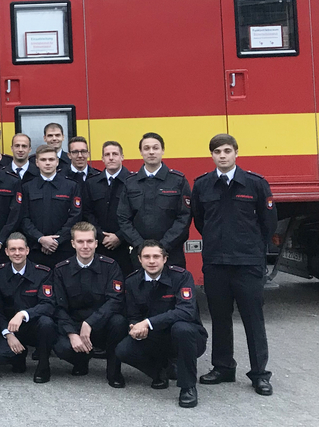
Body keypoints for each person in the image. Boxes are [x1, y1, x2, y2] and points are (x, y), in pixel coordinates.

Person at [192, 133, 276, 396]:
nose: (223, 156)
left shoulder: (255, 184)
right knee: (219, 317)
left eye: (227, 151)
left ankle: (260, 374)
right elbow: (200, 220)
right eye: (217, 152)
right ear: (212, 156)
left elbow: (268, 223)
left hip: (247, 263)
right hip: (216, 262)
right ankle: (223, 367)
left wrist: (252, 250)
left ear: (236, 153)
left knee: (253, 319)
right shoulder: (203, 185)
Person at [115, 241, 208, 408]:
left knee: (182, 328)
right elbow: (133, 314)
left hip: (188, 338)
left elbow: (186, 311)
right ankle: (159, 372)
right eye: (147, 257)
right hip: (155, 336)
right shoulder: (132, 282)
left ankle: (187, 387)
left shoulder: (181, 276)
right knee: (123, 350)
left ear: (165, 259)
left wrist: (148, 322)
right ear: (139, 259)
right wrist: (134, 326)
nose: (152, 261)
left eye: (156, 256)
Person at [51, 222, 127, 387]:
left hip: (101, 324)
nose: (85, 246)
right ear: (72, 243)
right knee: (61, 347)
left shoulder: (110, 266)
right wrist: (71, 333)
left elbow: (116, 300)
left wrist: (90, 322)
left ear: (96, 243)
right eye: (80, 241)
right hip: (75, 326)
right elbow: (59, 306)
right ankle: (81, 360)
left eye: (89, 241)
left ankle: (114, 372)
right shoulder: (61, 270)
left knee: (119, 322)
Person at [0, 233, 57, 383]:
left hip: (34, 326)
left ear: (27, 251)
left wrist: (23, 314)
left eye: (21, 249)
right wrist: (8, 334)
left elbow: (48, 305)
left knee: (47, 323)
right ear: (7, 252)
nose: (17, 253)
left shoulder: (43, 273)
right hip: (10, 327)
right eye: (13, 249)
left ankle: (43, 366)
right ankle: (18, 358)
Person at [117, 132, 192, 268]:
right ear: (141, 152)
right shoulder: (130, 182)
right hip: (140, 255)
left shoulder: (178, 181)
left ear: (162, 150)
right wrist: (141, 245)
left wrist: (164, 246)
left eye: (155, 148)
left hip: (171, 253)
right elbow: (123, 218)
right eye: (146, 148)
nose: (151, 152)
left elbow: (184, 217)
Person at [19, 145, 82, 267]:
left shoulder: (71, 186)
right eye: (43, 160)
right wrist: (41, 239)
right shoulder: (27, 187)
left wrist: (56, 241)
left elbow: (75, 216)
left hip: (64, 249)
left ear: (57, 161)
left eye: (51, 159)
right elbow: (23, 217)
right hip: (35, 249)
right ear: (37, 163)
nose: (47, 163)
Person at [84, 141, 134, 275]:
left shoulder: (133, 182)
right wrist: (100, 235)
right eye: (107, 154)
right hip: (99, 246)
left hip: (125, 246)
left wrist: (119, 236)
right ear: (102, 159)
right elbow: (87, 213)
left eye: (115, 154)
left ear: (122, 157)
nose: (111, 157)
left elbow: (137, 214)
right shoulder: (91, 183)